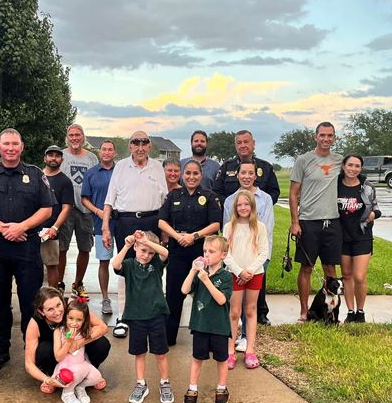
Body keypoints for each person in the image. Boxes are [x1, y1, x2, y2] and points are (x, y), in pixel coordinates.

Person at [0, 128, 54, 373]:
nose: (10, 148)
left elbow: (47, 209)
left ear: (22, 146)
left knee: (31, 304)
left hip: (27, 250)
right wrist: (4, 228)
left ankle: (34, 351)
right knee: (0, 302)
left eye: (15, 144)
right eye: (6, 144)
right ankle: (0, 351)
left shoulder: (35, 175)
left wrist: (22, 227)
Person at [102, 131, 168, 338]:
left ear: (149, 146)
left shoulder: (157, 167)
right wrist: (105, 227)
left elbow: (165, 199)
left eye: (144, 143)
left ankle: (150, 313)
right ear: (130, 146)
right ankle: (124, 316)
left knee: (152, 268)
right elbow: (109, 200)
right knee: (126, 269)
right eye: (135, 143)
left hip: (152, 220)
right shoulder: (120, 166)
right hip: (126, 221)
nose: (140, 147)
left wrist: (164, 231)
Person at [157, 160, 221, 346]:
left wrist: (194, 236)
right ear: (182, 175)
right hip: (177, 251)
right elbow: (162, 221)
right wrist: (177, 236)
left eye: (195, 173)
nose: (191, 177)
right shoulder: (173, 195)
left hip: (200, 251)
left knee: (204, 293)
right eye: (188, 173)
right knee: (174, 295)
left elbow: (216, 225)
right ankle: (169, 337)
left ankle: (206, 338)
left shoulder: (209, 196)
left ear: (201, 175)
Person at [289, 122, 344, 323]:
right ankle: (304, 312)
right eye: (322, 135)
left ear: (334, 138)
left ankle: (331, 313)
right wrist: (295, 222)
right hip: (308, 222)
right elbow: (294, 193)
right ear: (315, 137)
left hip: (332, 222)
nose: (326, 139)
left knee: (330, 268)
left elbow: (354, 177)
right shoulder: (303, 160)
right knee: (307, 268)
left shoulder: (339, 160)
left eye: (330, 136)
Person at [111, 230, 173, 403]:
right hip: (136, 317)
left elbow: (165, 253)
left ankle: (164, 382)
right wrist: (128, 245)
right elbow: (116, 265)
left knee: (160, 352)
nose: (147, 255)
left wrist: (147, 242)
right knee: (139, 352)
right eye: (143, 251)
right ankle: (141, 384)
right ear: (136, 248)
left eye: (151, 252)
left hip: (156, 315)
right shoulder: (129, 265)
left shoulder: (157, 264)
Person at [180, 235, 234, 403]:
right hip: (200, 324)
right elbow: (184, 289)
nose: (207, 254)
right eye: (205, 251)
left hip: (219, 326)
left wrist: (206, 280)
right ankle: (193, 387)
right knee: (197, 358)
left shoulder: (225, 276)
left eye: (211, 251)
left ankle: (221, 388)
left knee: (221, 358)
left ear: (223, 255)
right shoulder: (200, 273)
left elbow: (221, 299)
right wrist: (192, 271)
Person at [24, 286, 110, 394]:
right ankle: (54, 377)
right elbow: (28, 364)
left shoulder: (71, 305)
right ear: (41, 312)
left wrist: (79, 342)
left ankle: (89, 372)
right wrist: (46, 380)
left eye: (58, 305)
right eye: (50, 309)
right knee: (43, 350)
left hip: (79, 353)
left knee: (102, 344)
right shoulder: (35, 323)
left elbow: (102, 327)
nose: (57, 312)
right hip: (55, 354)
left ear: (62, 301)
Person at [222, 161, 275, 331]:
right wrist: (237, 269)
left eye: (250, 173)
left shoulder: (265, 199)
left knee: (251, 305)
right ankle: (234, 337)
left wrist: (253, 266)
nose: (246, 176)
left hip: (257, 259)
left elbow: (266, 230)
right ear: (237, 175)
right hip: (235, 263)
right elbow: (227, 236)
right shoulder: (230, 200)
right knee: (235, 307)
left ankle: (246, 337)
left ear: (256, 175)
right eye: (243, 173)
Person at [223, 190, 268, 369]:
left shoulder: (260, 227)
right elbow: (225, 253)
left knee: (250, 310)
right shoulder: (229, 227)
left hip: (254, 274)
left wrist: (249, 271)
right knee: (234, 312)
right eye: (239, 204)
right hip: (234, 273)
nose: (243, 207)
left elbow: (264, 252)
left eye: (246, 204)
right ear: (235, 207)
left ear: (252, 206)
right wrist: (239, 271)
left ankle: (250, 349)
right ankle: (230, 351)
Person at [338, 154, 381, 323]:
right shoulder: (335, 186)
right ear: (343, 166)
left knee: (359, 276)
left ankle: (360, 311)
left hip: (362, 236)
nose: (353, 169)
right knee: (347, 275)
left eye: (357, 166)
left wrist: (372, 215)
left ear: (360, 169)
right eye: (350, 165)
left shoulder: (367, 187)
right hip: (342, 236)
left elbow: (377, 208)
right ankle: (350, 312)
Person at [59, 123, 98, 300]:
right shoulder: (60, 155)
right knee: (61, 248)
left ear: (83, 137)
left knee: (85, 248)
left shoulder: (91, 158)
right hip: (65, 209)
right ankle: (59, 284)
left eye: (78, 135)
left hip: (85, 210)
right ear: (67, 137)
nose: (74, 138)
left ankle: (78, 283)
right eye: (71, 135)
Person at [80, 140, 117, 316]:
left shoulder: (122, 171)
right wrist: (97, 211)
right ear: (100, 152)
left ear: (115, 153)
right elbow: (84, 198)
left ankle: (130, 298)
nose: (107, 152)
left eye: (110, 150)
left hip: (122, 222)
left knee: (127, 261)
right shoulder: (91, 173)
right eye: (104, 149)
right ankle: (105, 298)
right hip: (100, 224)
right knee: (104, 260)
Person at [53, 298, 106, 403]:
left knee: (97, 377)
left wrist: (80, 341)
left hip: (81, 364)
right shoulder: (59, 332)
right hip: (66, 368)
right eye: (71, 318)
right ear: (65, 316)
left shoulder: (84, 331)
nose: (74, 323)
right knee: (76, 374)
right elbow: (58, 357)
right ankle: (67, 393)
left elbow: (103, 329)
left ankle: (80, 387)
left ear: (84, 320)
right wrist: (68, 342)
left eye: (79, 320)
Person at [212, 130, 280, 205]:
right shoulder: (226, 167)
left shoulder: (266, 167)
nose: (243, 145)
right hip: (232, 214)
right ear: (235, 146)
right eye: (239, 143)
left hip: (259, 214)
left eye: (246, 142)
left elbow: (274, 193)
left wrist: (257, 206)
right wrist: (234, 206)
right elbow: (217, 192)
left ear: (253, 143)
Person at [41, 145, 74, 287]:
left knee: (52, 265)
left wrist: (55, 227)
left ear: (62, 159)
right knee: (31, 267)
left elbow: (66, 207)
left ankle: (53, 295)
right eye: (50, 155)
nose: (53, 158)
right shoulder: (36, 176)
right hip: (32, 229)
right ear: (45, 158)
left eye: (57, 155)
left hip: (50, 231)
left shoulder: (65, 181)